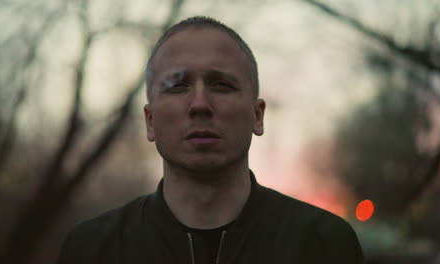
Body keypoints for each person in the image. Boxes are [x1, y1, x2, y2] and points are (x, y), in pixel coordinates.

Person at [57, 16, 364, 264]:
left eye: (221, 85)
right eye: (178, 86)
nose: (200, 104)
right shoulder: (93, 249)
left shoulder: (323, 244)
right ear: (150, 121)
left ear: (257, 115)